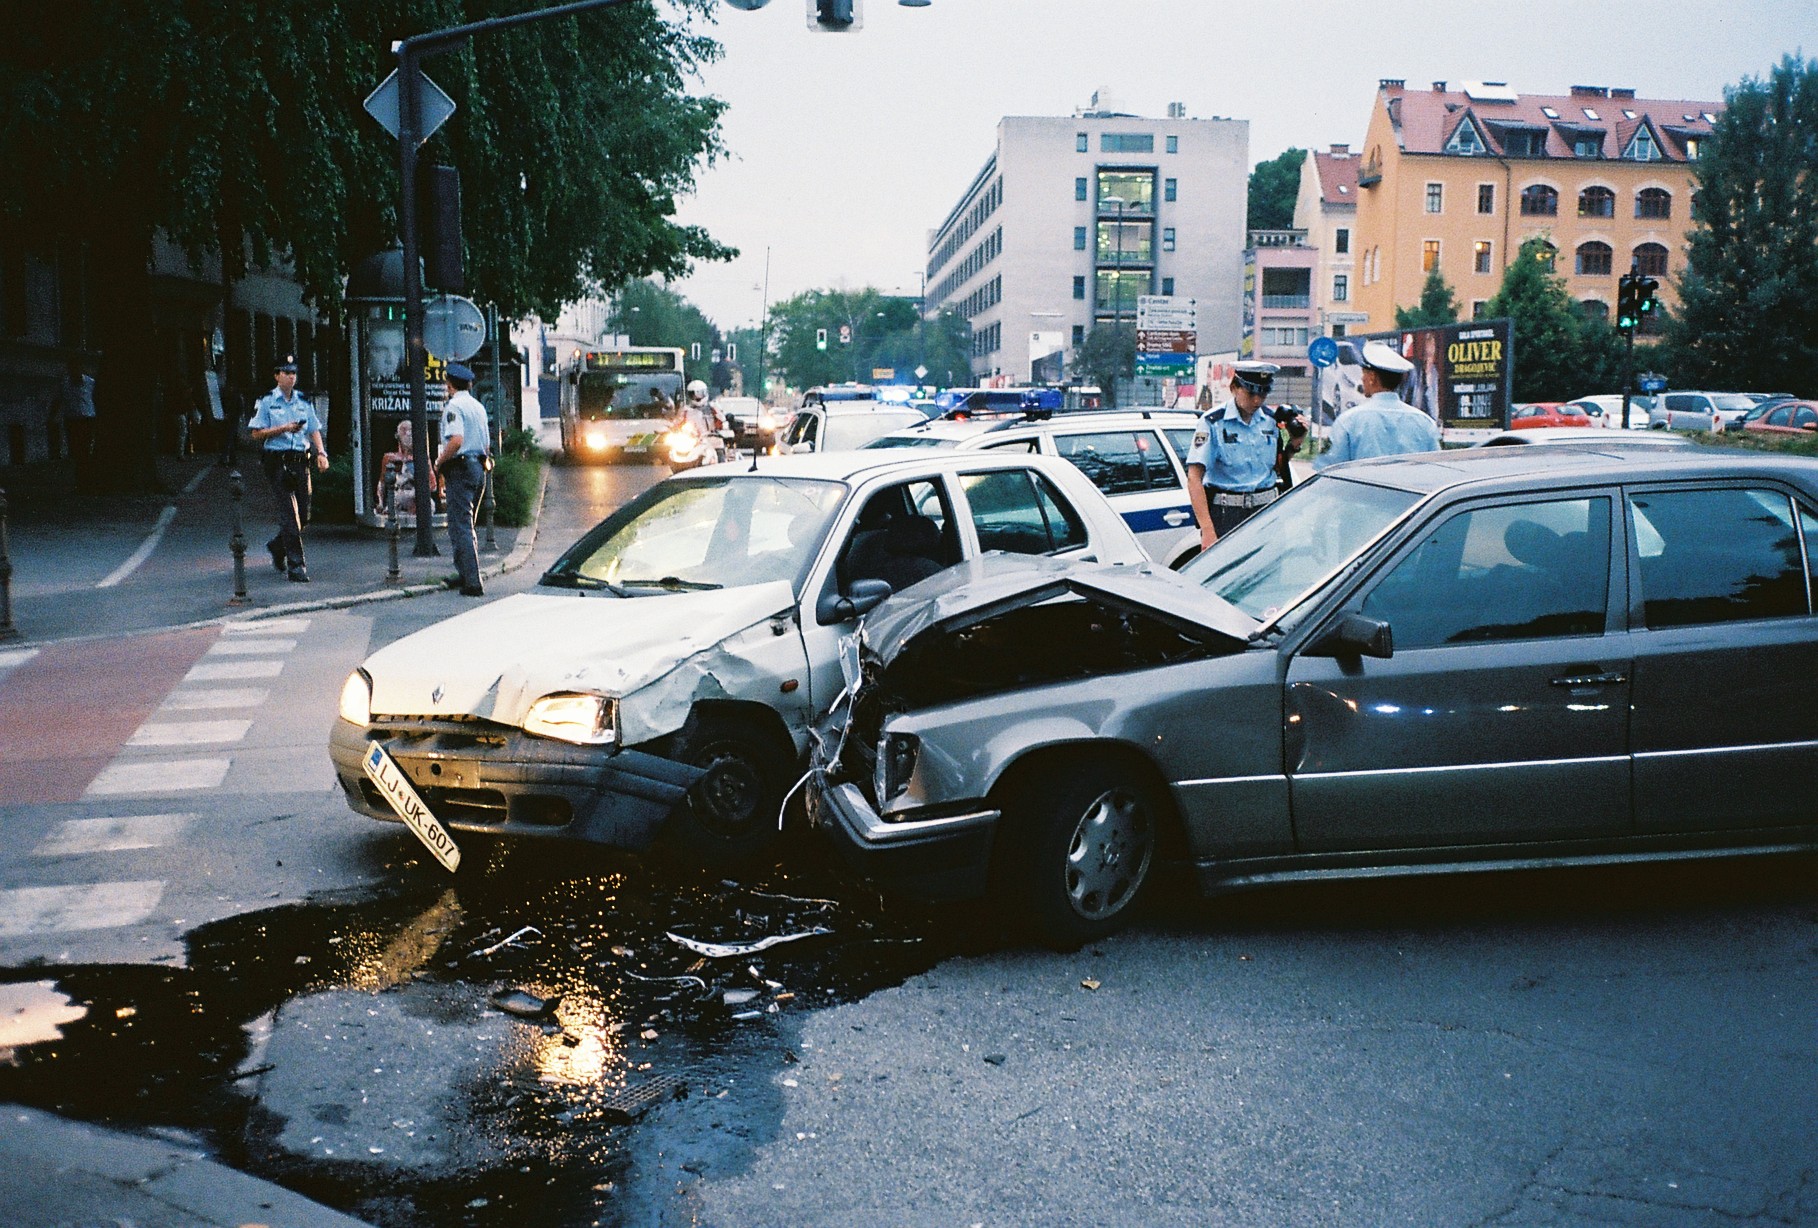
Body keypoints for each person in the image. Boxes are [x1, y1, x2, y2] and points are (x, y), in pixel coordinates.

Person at [1185, 361, 1284, 548]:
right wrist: (1207, 530)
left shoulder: (1271, 421)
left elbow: (1277, 467)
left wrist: (1295, 444)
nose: (1257, 400)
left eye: (1262, 393)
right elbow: (1194, 478)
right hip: (1228, 513)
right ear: (1234, 387)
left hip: (1266, 510)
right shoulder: (1213, 422)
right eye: (1251, 393)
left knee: (1267, 574)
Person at [248, 355, 328, 582]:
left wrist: (321, 453)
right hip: (278, 460)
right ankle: (296, 565)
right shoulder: (266, 401)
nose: (291, 377)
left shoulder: (303, 401)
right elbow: (255, 433)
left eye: (293, 373)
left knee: (304, 514)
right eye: (286, 373)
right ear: (276, 376)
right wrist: (282, 428)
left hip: (300, 461)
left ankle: (277, 546)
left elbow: (313, 429)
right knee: (289, 515)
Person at [1317, 341, 1442, 467]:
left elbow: (1326, 470)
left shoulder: (1348, 421)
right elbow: (1435, 470)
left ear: (1372, 378)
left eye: (1364, 373)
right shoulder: (1425, 423)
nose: (1362, 378)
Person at [436, 362, 492, 597]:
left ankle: (472, 581)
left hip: (460, 468)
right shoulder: (478, 406)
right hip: (479, 466)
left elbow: (456, 440)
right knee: (467, 524)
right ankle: (464, 572)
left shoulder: (454, 407)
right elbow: (487, 443)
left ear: (449, 385)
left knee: (460, 525)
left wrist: (440, 461)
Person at [375, 418, 436, 521]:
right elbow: (382, 483)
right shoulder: (389, 458)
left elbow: (433, 485)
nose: (408, 434)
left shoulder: (423, 458)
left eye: (411, 430)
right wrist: (380, 502)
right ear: (397, 436)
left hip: (417, 499)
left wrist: (417, 495)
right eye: (404, 430)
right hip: (396, 500)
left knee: (429, 505)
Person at [48, 357, 96, 479]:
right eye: (72, 369)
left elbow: (97, 399)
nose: (74, 372)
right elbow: (57, 400)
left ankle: (86, 473)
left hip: (87, 419)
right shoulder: (64, 384)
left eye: (77, 369)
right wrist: (51, 416)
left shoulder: (90, 382)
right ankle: (80, 473)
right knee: (75, 448)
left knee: (86, 447)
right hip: (72, 420)